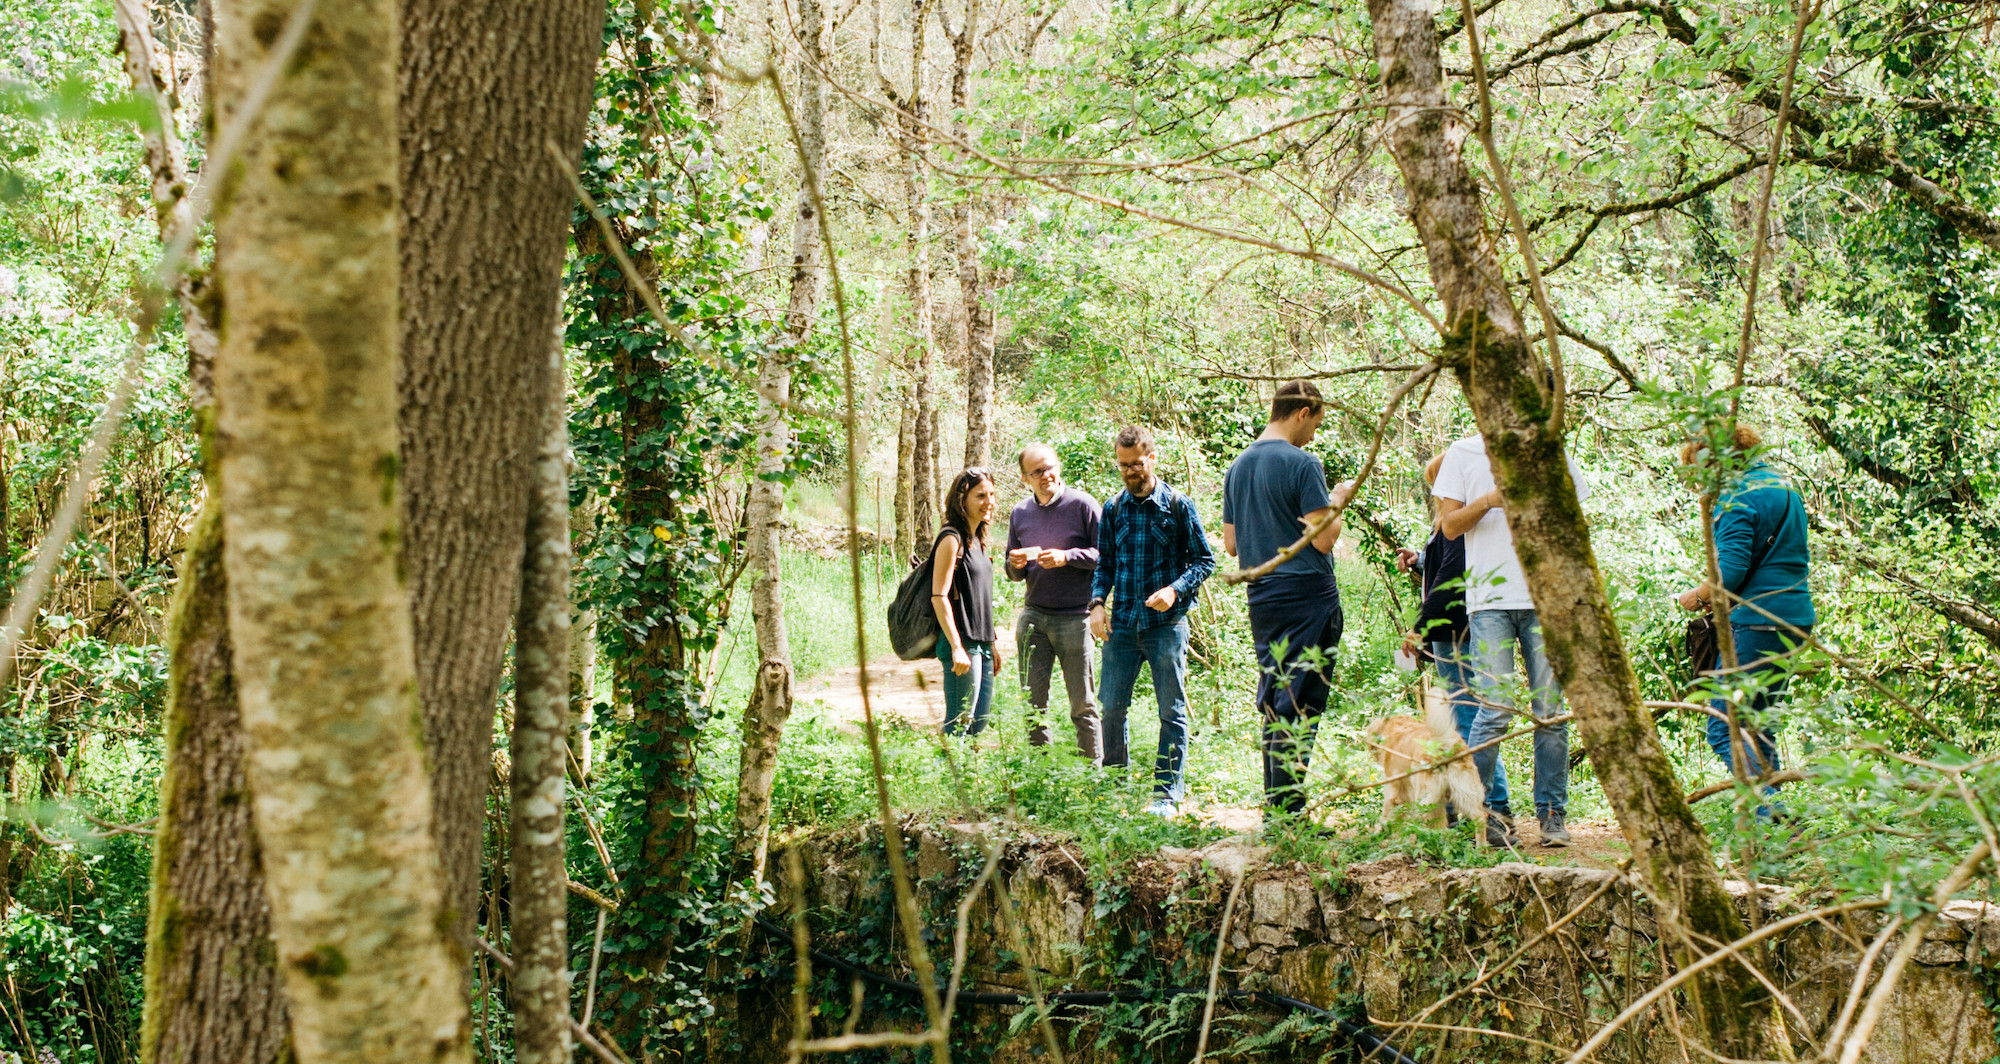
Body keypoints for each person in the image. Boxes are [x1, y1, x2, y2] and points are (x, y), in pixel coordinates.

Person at [1433, 432, 1591, 848]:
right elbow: (1448, 527)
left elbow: (1574, 515)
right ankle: (1476, 813)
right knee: (1494, 710)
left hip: (1544, 598)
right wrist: (1487, 500)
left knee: (1549, 712)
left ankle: (1552, 816)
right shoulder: (1462, 453)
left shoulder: (1547, 448)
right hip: (1488, 602)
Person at [1221, 380, 1351, 819]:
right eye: (1316, 422)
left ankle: (1279, 808)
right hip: (1307, 595)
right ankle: (1289, 814)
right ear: (1302, 412)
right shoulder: (1302, 463)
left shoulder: (1238, 467)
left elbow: (1232, 545)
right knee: (1302, 700)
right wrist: (1338, 500)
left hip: (1263, 597)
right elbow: (1323, 540)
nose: (1314, 432)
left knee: (1277, 698)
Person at [1675, 425, 1814, 810]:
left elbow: (1731, 573)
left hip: (1756, 621)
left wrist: (1698, 595)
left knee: (1724, 726)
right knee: (1759, 725)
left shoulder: (1736, 499)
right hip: (1796, 617)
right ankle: (1775, 841)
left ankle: (1775, 815)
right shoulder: (1783, 487)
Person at [1089, 426, 1217, 816]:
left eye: (1137, 463)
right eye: (1123, 465)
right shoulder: (1112, 509)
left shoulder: (1178, 505)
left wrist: (1175, 590)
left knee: (1171, 711)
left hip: (1167, 626)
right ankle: (1116, 789)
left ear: (1152, 458)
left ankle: (1167, 795)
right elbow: (1104, 564)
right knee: (1110, 707)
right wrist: (1096, 605)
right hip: (1122, 625)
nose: (1130, 471)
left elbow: (1205, 561)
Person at [1396, 452, 1511, 825]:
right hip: (1450, 629)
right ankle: (1467, 802)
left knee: (1468, 716)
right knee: (1462, 716)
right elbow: (1442, 565)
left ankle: (1491, 804)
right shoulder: (1446, 524)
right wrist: (1418, 561)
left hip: (1456, 627)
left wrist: (1419, 628)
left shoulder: (1458, 522)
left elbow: (1450, 580)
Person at [1005, 443, 1105, 761]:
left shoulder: (1084, 506)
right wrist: (1014, 564)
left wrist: (1067, 557)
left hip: (1075, 617)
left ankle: (1093, 779)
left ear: (1058, 467)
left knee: (1083, 704)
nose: (1045, 475)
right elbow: (1013, 572)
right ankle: (1041, 774)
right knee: (1033, 705)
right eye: (1037, 472)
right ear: (1025, 478)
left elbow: (1107, 556)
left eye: (1049, 467)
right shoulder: (1020, 513)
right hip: (1034, 616)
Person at [930, 468, 1006, 736]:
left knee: (979, 722)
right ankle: (947, 775)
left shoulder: (979, 542)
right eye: (981, 495)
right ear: (962, 500)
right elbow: (939, 596)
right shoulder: (951, 539)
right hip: (962, 642)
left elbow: (980, 599)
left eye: (992, 495)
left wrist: (992, 644)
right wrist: (956, 647)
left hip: (982, 644)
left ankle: (967, 777)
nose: (990, 502)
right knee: (959, 721)